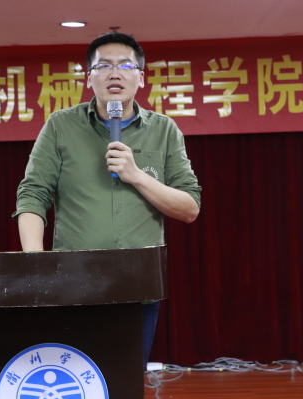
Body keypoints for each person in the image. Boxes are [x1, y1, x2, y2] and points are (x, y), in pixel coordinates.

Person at [12, 32, 201, 370]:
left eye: (126, 65)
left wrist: (136, 175)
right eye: (104, 66)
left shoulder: (164, 130)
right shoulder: (60, 126)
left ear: (141, 78)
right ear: (89, 78)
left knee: (128, 380)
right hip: (73, 282)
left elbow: (189, 208)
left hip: (138, 283)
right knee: (77, 378)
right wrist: (35, 264)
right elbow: (33, 194)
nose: (115, 73)